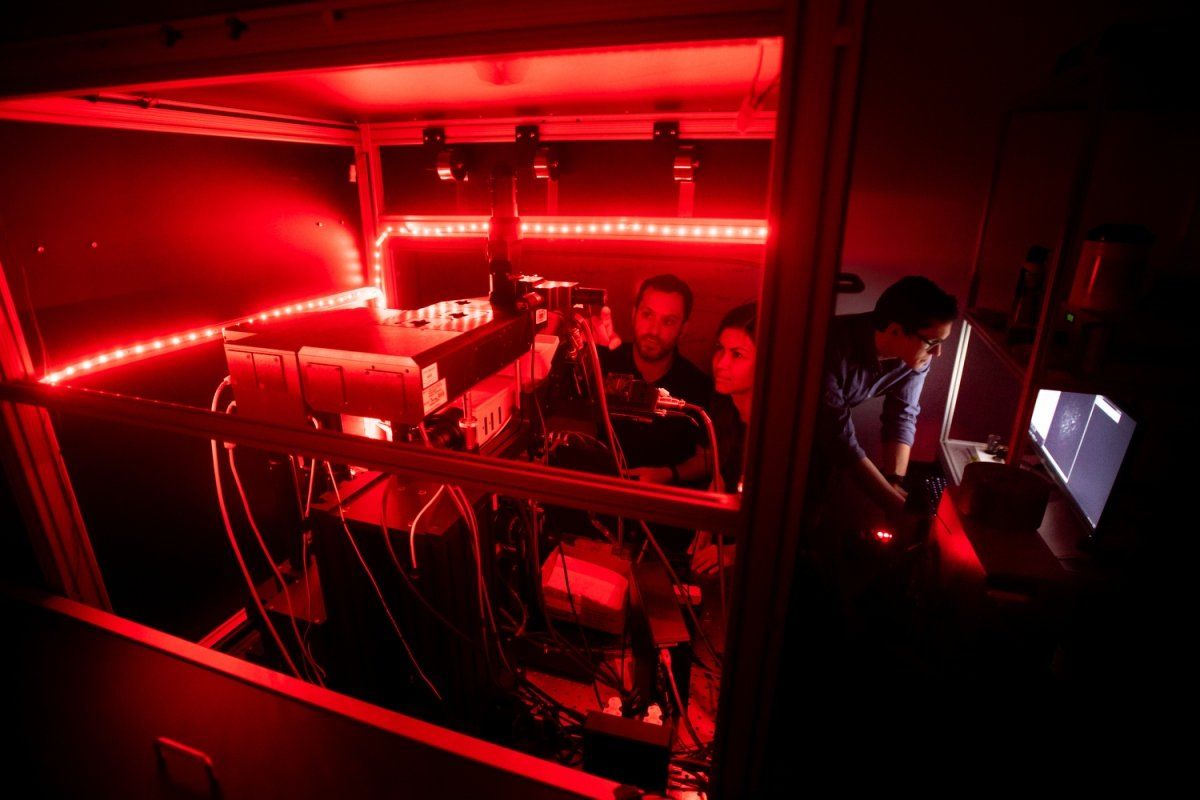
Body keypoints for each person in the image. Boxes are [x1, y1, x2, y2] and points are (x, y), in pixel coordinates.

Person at [814, 275, 958, 520]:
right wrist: (897, 509)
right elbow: (839, 437)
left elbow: (902, 416)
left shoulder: (914, 359)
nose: (937, 352)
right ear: (895, 330)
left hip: (825, 441)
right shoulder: (830, 347)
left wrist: (895, 482)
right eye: (932, 342)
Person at [593, 274, 712, 485]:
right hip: (603, 494)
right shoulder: (603, 362)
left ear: (683, 328)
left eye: (668, 321)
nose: (654, 331)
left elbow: (707, 459)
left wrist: (668, 474)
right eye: (647, 315)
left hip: (663, 504)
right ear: (634, 314)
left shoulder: (697, 386)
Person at [690, 301, 756, 576]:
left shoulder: (777, 429)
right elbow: (720, 474)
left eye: (737, 355)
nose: (721, 363)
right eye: (720, 349)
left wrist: (733, 552)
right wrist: (704, 525)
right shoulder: (723, 406)